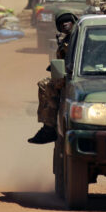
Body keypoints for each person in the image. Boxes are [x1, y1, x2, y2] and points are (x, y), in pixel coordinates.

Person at [28, 12, 77, 144]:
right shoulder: (67, 39)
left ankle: (49, 128)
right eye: (61, 23)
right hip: (71, 73)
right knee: (46, 83)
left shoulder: (77, 39)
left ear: (73, 22)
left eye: (67, 21)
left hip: (78, 76)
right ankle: (49, 126)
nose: (64, 24)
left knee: (47, 86)